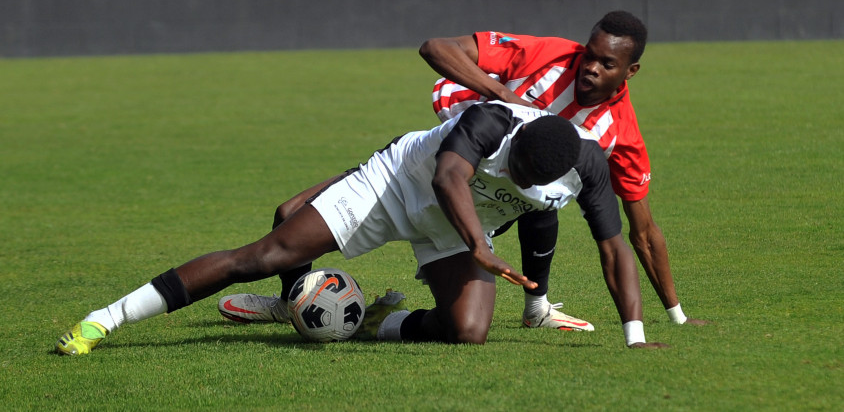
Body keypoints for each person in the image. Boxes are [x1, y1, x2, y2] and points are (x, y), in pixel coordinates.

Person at [56, 102, 667, 355]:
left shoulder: (586, 165)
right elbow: (449, 178)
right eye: (517, 164)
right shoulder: (491, 121)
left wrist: (635, 336)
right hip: (395, 185)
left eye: (530, 177)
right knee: (264, 252)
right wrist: (480, 246)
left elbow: (614, 250)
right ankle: (104, 321)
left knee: (469, 331)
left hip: (459, 229)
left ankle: (379, 322)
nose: (517, 175)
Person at [417, 10, 707, 330]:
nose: (590, 69)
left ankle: (535, 309)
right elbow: (436, 47)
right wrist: (507, 99)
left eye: (607, 64)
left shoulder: (620, 135)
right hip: (450, 153)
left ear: (631, 71)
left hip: (494, 192)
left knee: (545, 190)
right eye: (589, 56)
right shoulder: (547, 55)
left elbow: (644, 233)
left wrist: (677, 317)